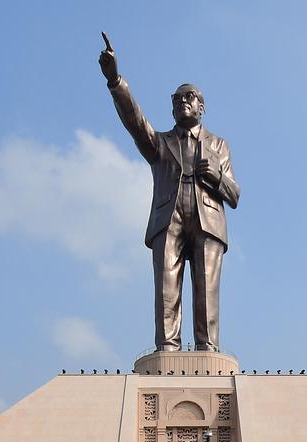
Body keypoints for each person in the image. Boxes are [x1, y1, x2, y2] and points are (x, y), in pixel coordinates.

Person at [98, 35, 241, 352]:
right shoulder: (160, 143)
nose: (182, 101)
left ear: (202, 107)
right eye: (177, 99)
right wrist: (115, 81)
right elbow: (135, 121)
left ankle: (208, 349)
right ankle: (168, 347)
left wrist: (217, 175)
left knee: (207, 290)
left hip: (208, 218)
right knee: (166, 288)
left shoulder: (219, 145)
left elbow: (234, 195)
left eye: (190, 97)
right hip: (168, 216)